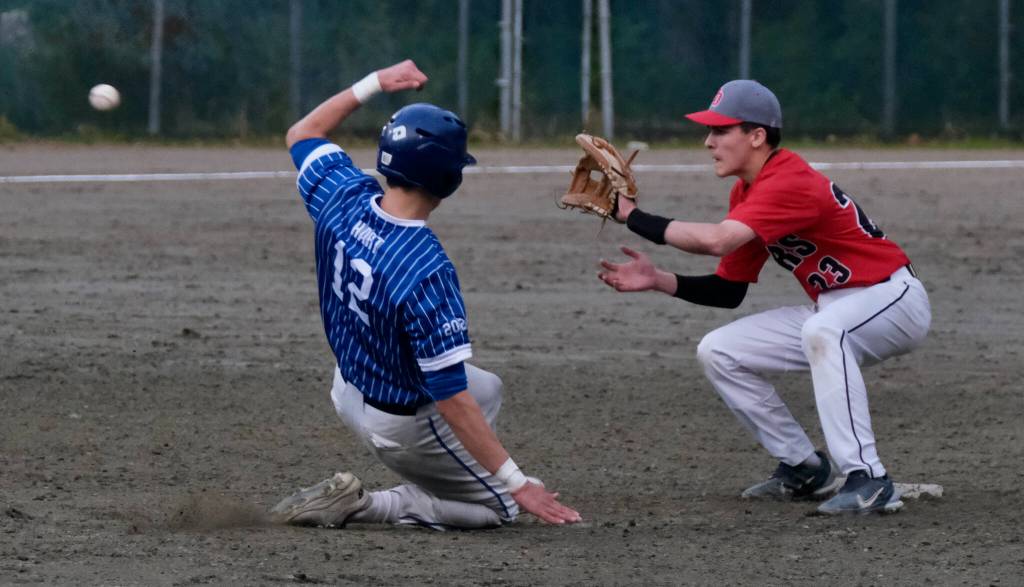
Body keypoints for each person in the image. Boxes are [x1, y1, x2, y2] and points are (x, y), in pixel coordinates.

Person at [269, 59, 581, 530]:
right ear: (448, 179)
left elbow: (302, 132)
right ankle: (377, 504)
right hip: (400, 424)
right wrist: (517, 483)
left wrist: (373, 83)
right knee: (506, 507)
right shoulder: (425, 267)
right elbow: (450, 396)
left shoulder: (343, 194)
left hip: (347, 387)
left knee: (488, 388)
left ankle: (455, 471)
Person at [597, 80, 931, 515]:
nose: (708, 141)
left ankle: (868, 479)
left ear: (757, 136)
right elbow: (728, 290)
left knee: (824, 329)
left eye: (721, 131)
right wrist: (659, 279)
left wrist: (632, 217)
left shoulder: (788, 179)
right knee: (720, 350)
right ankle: (803, 466)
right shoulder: (748, 193)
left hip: (893, 299)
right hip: (837, 309)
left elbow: (717, 240)